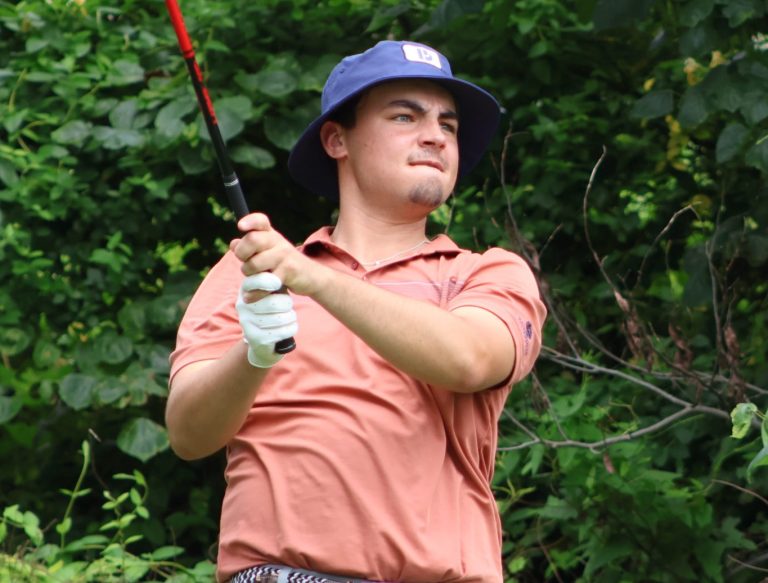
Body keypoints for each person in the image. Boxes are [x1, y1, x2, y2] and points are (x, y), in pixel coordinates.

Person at [166, 40, 546, 583]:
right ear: (336, 139)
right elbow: (188, 435)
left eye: (449, 124)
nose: (435, 135)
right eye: (404, 116)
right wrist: (253, 355)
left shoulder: (486, 272)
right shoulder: (250, 275)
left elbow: (470, 358)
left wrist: (312, 280)